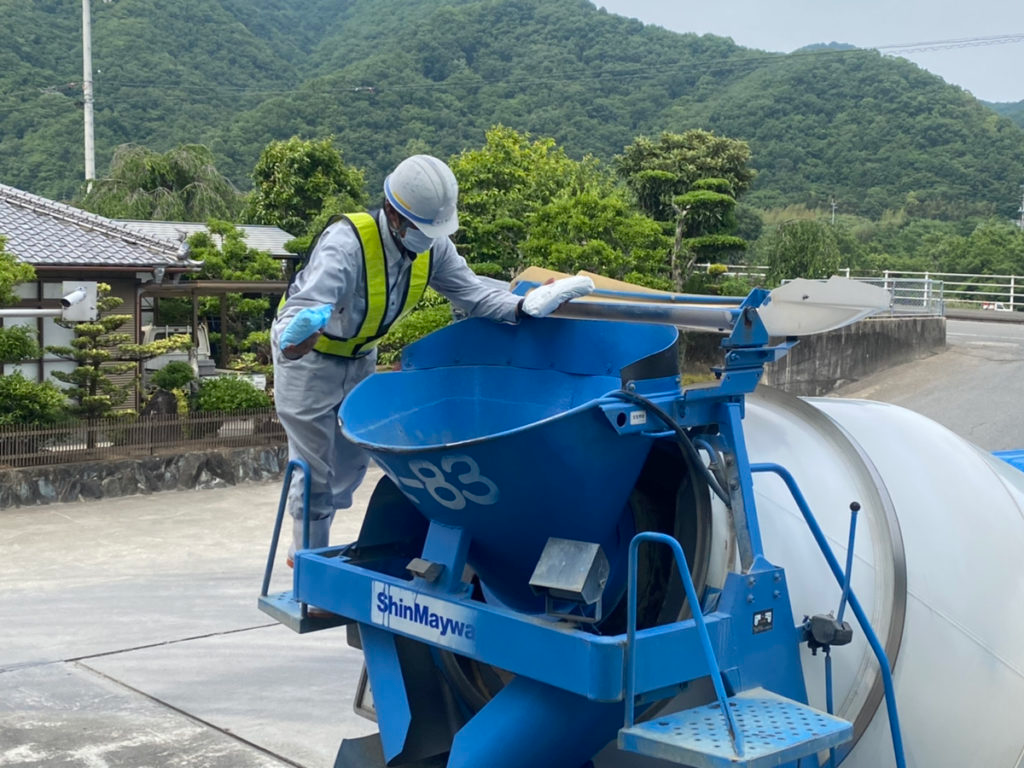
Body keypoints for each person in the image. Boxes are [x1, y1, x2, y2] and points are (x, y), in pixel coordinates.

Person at [271, 154, 592, 569]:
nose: (427, 237)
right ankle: (306, 558)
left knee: (351, 461)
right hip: (310, 362)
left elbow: (472, 294)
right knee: (314, 467)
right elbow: (300, 314)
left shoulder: (434, 248)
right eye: (420, 228)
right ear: (392, 212)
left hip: (360, 356)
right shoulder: (345, 245)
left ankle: (315, 534)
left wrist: (525, 306)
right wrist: (294, 339)